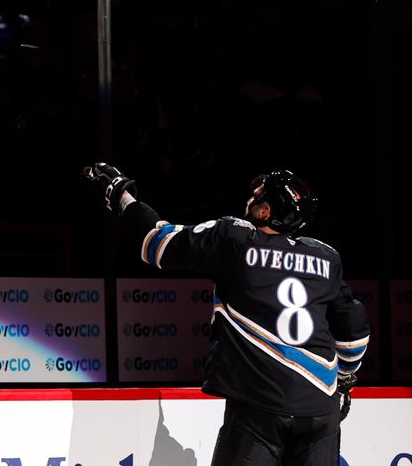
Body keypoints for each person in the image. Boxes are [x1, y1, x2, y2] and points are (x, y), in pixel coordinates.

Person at [84, 162, 370, 466]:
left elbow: (156, 243)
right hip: (320, 411)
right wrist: (344, 379)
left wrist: (122, 195)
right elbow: (354, 330)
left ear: (264, 212)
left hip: (259, 407)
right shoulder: (326, 256)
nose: (251, 200)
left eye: (258, 197)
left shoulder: (234, 238)